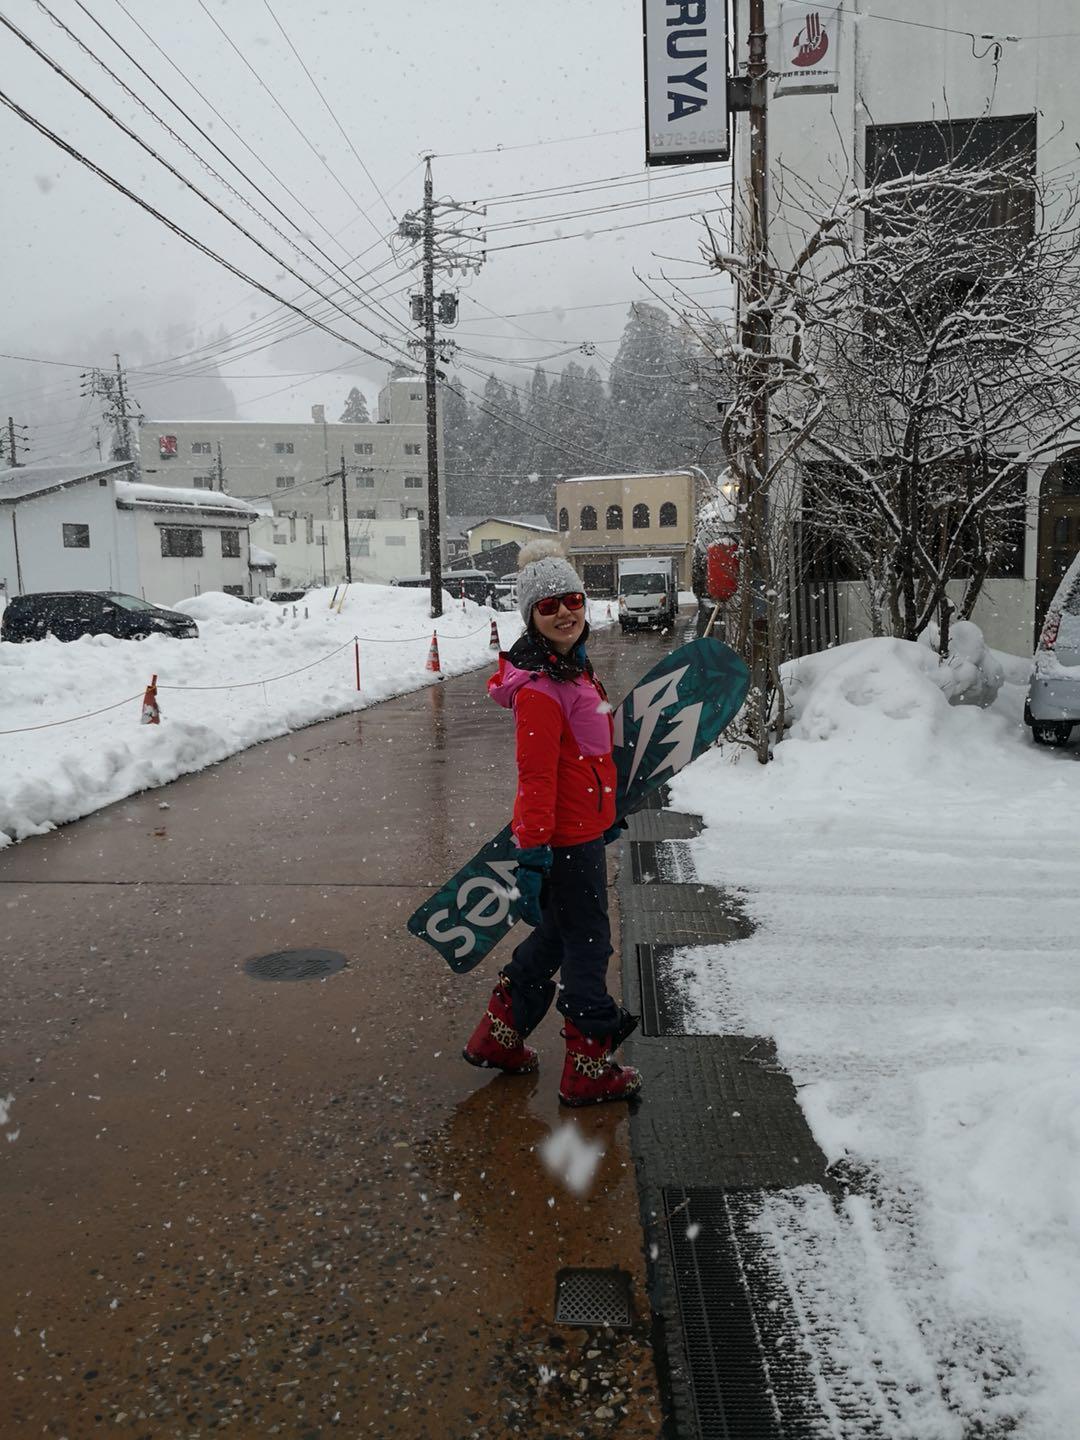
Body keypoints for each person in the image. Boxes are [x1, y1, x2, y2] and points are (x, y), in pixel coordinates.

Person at [462, 540, 642, 1107]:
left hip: (581, 833)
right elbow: (536, 779)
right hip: (563, 843)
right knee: (589, 946)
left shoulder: (572, 670)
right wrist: (535, 851)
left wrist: (604, 816)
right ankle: (586, 1066)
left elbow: (587, 761)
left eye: (573, 599)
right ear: (531, 618)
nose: (566, 612)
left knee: (560, 936)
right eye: (549, 606)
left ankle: (500, 1036)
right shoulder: (541, 689)